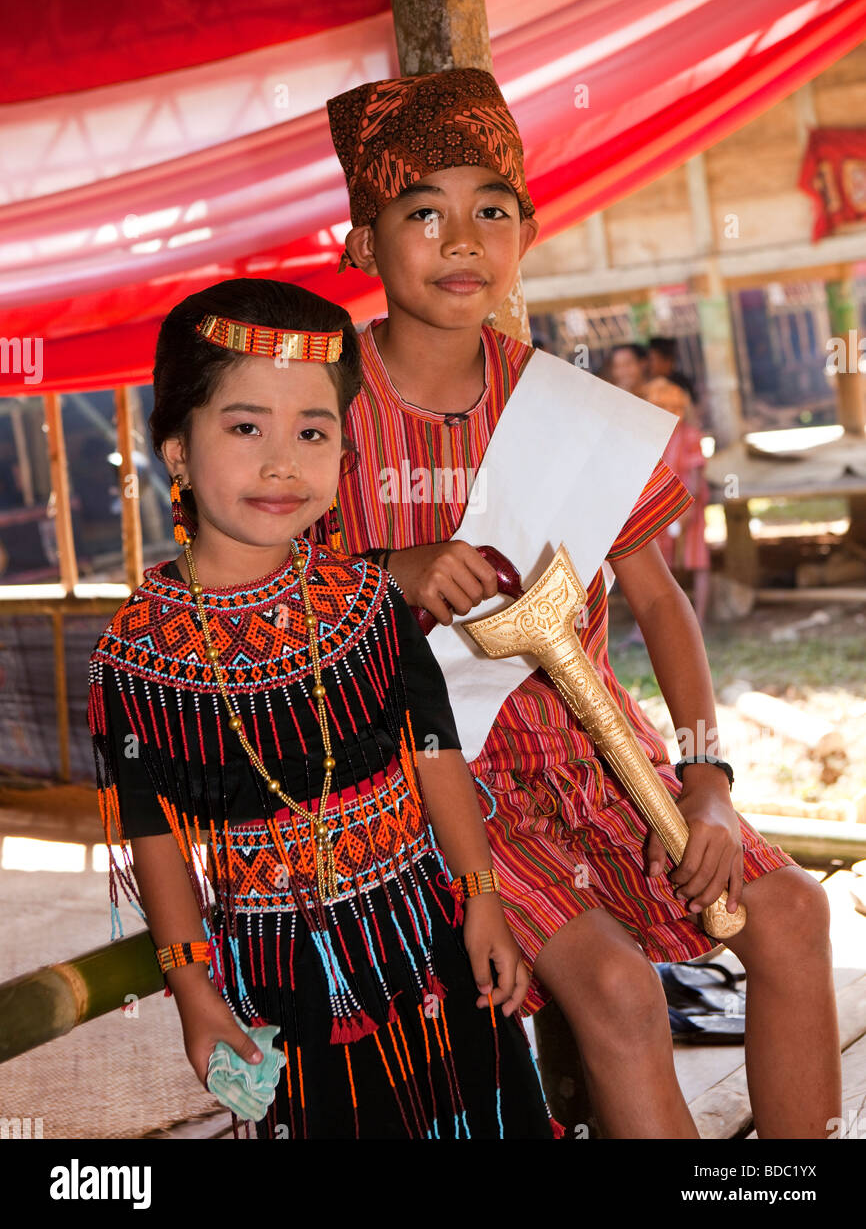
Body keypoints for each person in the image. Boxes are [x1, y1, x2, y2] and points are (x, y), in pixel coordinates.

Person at [311, 67, 841, 1139]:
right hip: (428, 777)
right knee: (615, 990)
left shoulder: (570, 411)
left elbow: (659, 606)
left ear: (525, 232)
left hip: (595, 749)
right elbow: (257, 604)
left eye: (490, 212)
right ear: (362, 241)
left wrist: (703, 784)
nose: (462, 239)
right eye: (423, 212)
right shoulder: (314, 417)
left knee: (790, 910)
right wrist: (388, 575)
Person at [87, 277, 556, 1141]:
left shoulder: (369, 604)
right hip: (282, 979)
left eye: (313, 430)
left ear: (344, 451)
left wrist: (483, 894)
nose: (282, 462)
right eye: (245, 427)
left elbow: (435, 754)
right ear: (178, 453)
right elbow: (153, 837)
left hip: (430, 945)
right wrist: (194, 993)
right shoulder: (136, 658)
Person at [644, 375, 711, 628]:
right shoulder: (653, 438)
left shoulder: (690, 435)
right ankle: (669, 621)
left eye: (675, 409)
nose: (671, 414)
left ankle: (700, 620)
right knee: (663, 565)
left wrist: (689, 509)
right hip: (660, 509)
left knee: (697, 559)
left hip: (688, 508)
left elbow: (695, 474)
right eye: (663, 408)